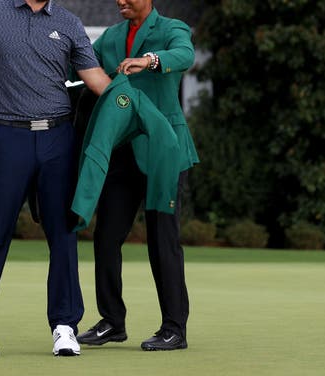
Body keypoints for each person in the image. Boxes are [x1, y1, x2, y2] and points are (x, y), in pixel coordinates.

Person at [0, 0, 110, 357]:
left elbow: (95, 79)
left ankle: (65, 326)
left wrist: (131, 99)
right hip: (10, 138)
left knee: (63, 234)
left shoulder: (69, 22)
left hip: (59, 138)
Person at [76, 0, 199, 351]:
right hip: (122, 153)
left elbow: (184, 55)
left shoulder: (172, 29)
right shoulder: (111, 36)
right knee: (106, 236)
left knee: (163, 240)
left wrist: (149, 60)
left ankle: (174, 328)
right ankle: (112, 321)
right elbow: (83, 62)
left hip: (163, 151)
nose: (120, 1)